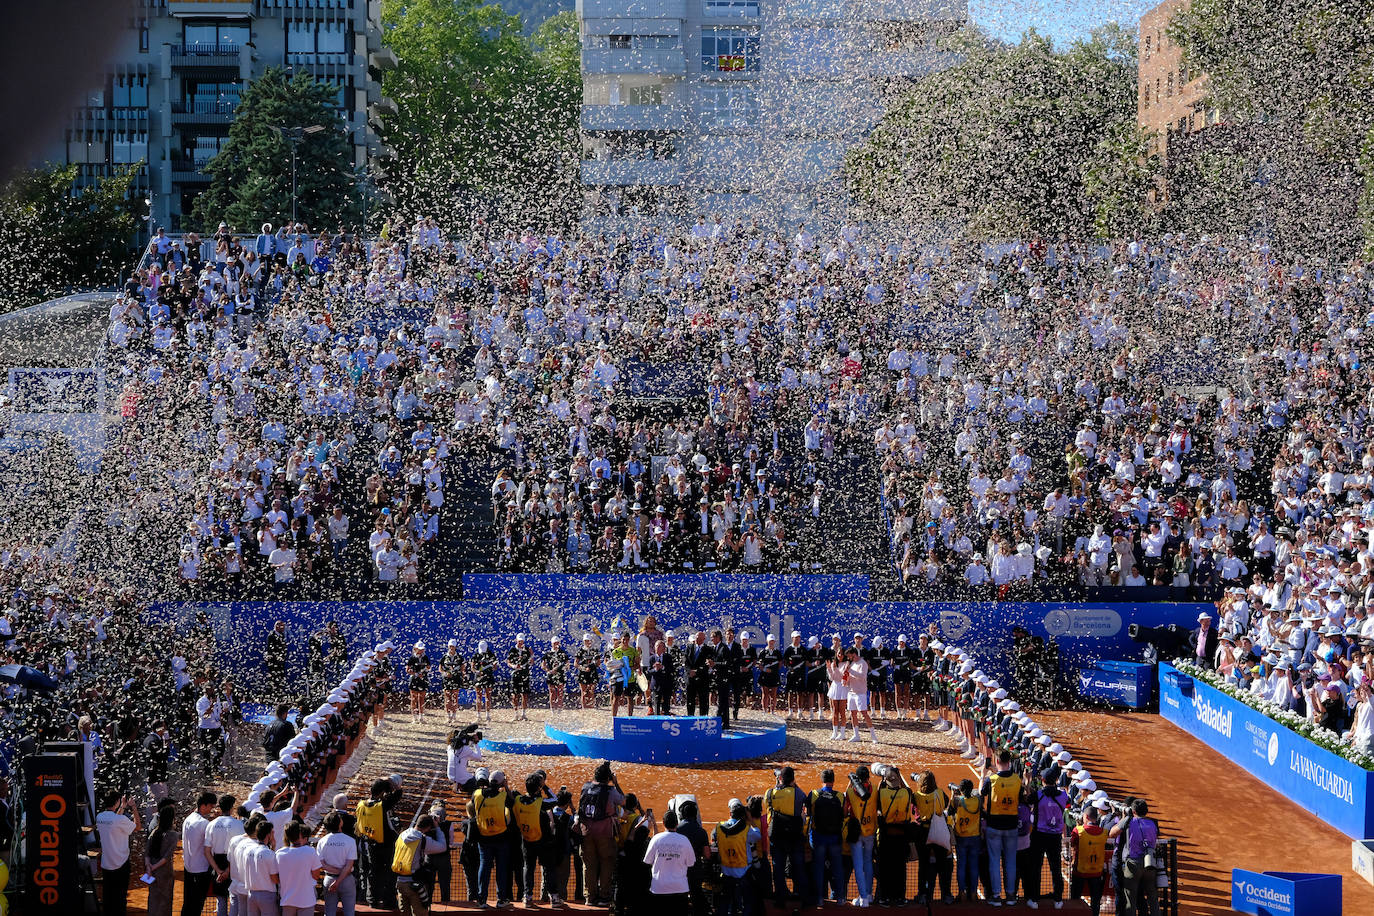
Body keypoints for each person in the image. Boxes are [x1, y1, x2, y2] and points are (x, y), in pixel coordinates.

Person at [576, 761, 624, 907]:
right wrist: (615, 783)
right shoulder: (611, 791)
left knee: (589, 865)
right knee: (606, 863)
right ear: (608, 778)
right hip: (605, 834)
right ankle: (604, 897)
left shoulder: (585, 787)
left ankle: (589, 898)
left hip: (586, 833)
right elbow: (623, 801)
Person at [981, 749, 1021, 906]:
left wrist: (984, 774)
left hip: (994, 826)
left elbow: (982, 793)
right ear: (1009, 762)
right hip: (1012, 826)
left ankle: (996, 895)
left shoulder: (991, 780)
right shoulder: (1017, 779)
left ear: (996, 762)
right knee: (1011, 861)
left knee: (994, 861)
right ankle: (1011, 895)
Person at [765, 765, 810, 905]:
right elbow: (804, 799)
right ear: (793, 779)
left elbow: (769, 802)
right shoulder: (798, 793)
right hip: (795, 836)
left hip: (777, 836)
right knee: (799, 866)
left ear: (780, 778)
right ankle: (802, 898)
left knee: (778, 868)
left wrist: (778, 784)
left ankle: (780, 899)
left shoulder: (770, 792)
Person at [470, 769, 515, 907]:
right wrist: (506, 787)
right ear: (501, 783)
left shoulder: (477, 794)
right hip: (501, 837)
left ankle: (482, 899)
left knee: (484, 867)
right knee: (501, 869)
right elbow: (512, 802)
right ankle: (501, 899)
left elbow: (472, 802)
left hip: (484, 837)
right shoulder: (503, 796)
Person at [96, 791, 142, 916]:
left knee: (108, 897)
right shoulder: (120, 819)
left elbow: (114, 821)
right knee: (120, 899)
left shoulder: (99, 817)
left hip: (106, 865)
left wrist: (122, 806)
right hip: (121, 865)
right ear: (116, 802)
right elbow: (138, 827)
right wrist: (133, 807)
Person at [1028, 768, 1069, 908]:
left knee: (1036, 868)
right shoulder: (1064, 796)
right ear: (1056, 780)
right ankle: (1058, 899)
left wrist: (1027, 783)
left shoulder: (1038, 795)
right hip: (1055, 837)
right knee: (1056, 868)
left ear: (1043, 780)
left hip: (1039, 836)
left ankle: (1034, 899)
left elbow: (1028, 800)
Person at [643, 808, 695, 916]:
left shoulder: (656, 839)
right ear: (677, 824)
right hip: (680, 889)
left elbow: (647, 861)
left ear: (663, 823)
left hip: (659, 888)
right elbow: (691, 863)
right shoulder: (684, 840)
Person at [713, 799, 760, 916]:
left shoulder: (718, 828)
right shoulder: (746, 830)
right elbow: (757, 835)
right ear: (743, 816)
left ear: (730, 814)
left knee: (726, 900)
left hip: (726, 871)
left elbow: (714, 838)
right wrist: (750, 821)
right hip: (743, 871)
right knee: (748, 900)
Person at [1112, 799, 1158, 916]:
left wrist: (1124, 817)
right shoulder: (1153, 823)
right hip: (1150, 862)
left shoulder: (1129, 821)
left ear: (1132, 811)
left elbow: (1112, 833)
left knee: (1130, 898)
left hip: (1133, 864)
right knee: (1152, 896)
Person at [394, 815, 446, 916]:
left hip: (400, 883)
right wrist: (437, 827)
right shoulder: (422, 840)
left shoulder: (401, 835)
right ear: (428, 828)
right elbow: (442, 846)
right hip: (414, 885)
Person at [875, 767, 913, 906]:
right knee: (900, 869)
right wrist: (898, 775)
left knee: (885, 869)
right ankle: (900, 898)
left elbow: (878, 794)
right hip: (901, 838)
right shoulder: (907, 792)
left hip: (886, 837)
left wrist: (884, 779)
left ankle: (884, 897)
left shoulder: (882, 793)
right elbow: (905, 788)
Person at [808, 769, 846, 906]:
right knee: (838, 868)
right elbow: (845, 813)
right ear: (833, 781)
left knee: (818, 868)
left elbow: (808, 813)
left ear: (822, 780)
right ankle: (841, 898)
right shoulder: (840, 796)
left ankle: (819, 899)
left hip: (818, 838)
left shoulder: (814, 794)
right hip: (835, 838)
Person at [180, 791, 218, 916]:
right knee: (197, 905)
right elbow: (211, 847)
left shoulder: (188, 819)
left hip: (188, 868)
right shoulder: (204, 824)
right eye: (211, 807)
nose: (211, 810)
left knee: (188, 903)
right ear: (203, 806)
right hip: (201, 870)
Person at [845, 765, 878, 907]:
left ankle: (863, 897)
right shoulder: (875, 789)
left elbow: (845, 811)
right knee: (868, 863)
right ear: (868, 778)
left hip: (856, 833)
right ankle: (869, 894)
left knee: (858, 866)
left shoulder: (850, 792)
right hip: (870, 831)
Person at [205, 794, 244, 916]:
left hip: (216, 862)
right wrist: (228, 870)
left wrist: (218, 871)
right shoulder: (239, 825)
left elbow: (206, 851)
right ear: (232, 808)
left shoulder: (211, 824)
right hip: (234, 863)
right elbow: (240, 850)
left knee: (221, 899)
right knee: (234, 899)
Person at [277, 821, 323, 916]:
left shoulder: (279, 854)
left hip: (287, 900)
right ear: (300, 834)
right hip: (306, 900)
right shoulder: (310, 851)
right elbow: (316, 875)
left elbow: (276, 877)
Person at [319, 810, 359, 916]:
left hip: (329, 879)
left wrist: (335, 872)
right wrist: (340, 877)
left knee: (329, 912)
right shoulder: (350, 841)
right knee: (349, 912)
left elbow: (321, 864)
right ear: (340, 823)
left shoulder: (322, 841)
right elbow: (349, 865)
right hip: (346, 879)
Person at [1070, 806, 1109, 916]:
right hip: (1097, 872)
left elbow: (1073, 844)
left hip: (1080, 871)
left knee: (1075, 899)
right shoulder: (1104, 832)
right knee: (1095, 901)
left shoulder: (1077, 830)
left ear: (1086, 816)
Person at [949, 778, 982, 904]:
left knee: (961, 865)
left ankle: (962, 893)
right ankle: (973, 893)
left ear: (961, 790)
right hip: (975, 837)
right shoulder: (977, 801)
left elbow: (950, 812)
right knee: (974, 866)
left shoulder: (957, 801)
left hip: (961, 837)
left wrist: (953, 795)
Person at [843, 643, 879, 744]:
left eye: (850, 656)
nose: (850, 658)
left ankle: (873, 736)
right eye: (849, 657)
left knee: (864, 714)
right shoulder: (852, 664)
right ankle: (856, 735)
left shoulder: (863, 663)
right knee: (853, 714)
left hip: (860, 693)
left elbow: (862, 676)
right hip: (851, 692)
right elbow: (850, 676)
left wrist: (850, 671)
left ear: (854, 654)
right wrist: (846, 680)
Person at [146, 804, 178, 916]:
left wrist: (149, 868)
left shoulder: (154, 832)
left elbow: (147, 853)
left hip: (152, 872)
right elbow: (166, 857)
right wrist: (154, 867)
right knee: (165, 900)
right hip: (165, 872)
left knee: (153, 899)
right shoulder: (173, 835)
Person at [242, 819, 280, 916]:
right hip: (267, 896)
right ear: (268, 835)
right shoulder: (270, 854)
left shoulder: (247, 851)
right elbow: (274, 879)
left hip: (251, 895)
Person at [447, 726, 483, 794]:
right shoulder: (465, 749)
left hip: (450, 776)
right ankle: (461, 785)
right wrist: (476, 743)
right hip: (461, 778)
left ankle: (457, 784)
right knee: (477, 784)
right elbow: (478, 757)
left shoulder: (449, 747)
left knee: (460, 766)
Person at [685, 630, 713, 716]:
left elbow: (708, 664)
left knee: (703, 700)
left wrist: (697, 671)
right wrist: (689, 671)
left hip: (702, 679)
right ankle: (690, 717)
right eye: (696, 638)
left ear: (703, 639)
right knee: (690, 699)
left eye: (699, 638)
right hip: (691, 678)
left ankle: (703, 718)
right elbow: (685, 661)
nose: (697, 640)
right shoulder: (689, 647)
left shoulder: (708, 649)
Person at [507, 633, 534, 720]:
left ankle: (524, 714)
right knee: (515, 695)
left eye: (522, 642)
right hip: (515, 675)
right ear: (516, 641)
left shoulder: (527, 650)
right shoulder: (512, 650)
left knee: (524, 694)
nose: (520, 643)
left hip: (525, 674)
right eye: (519, 642)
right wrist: (514, 666)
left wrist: (532, 654)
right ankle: (516, 714)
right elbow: (508, 662)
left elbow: (531, 663)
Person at [440, 639, 467, 724]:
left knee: (455, 697)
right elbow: (440, 668)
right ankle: (448, 716)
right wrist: (445, 673)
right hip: (447, 679)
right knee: (447, 697)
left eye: (453, 646)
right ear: (448, 647)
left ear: (455, 647)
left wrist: (461, 676)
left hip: (456, 679)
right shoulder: (444, 657)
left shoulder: (459, 657)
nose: (451, 648)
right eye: (450, 646)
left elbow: (463, 667)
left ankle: (454, 716)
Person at [543, 636, 570, 710]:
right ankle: (553, 710)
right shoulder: (548, 653)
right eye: (555, 643)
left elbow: (567, 664)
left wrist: (563, 669)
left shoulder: (562, 653)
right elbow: (543, 665)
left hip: (560, 675)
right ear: (552, 644)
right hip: (551, 675)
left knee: (560, 693)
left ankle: (559, 710)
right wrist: (549, 671)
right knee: (552, 693)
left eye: (557, 643)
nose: (556, 644)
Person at [407, 641, 431, 723]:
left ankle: (421, 717)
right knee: (413, 699)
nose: (421, 651)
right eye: (419, 649)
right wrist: (416, 674)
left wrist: (426, 669)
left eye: (422, 649)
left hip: (423, 680)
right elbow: (408, 670)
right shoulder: (412, 658)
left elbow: (429, 667)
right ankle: (414, 717)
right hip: (414, 680)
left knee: (421, 698)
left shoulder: (425, 657)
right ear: (415, 649)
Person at [576, 634, 602, 708]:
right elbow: (576, 663)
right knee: (583, 692)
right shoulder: (580, 651)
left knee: (591, 691)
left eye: (588, 641)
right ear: (583, 641)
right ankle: (584, 708)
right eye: (586, 641)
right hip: (583, 673)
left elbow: (598, 662)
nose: (587, 642)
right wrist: (583, 669)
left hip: (592, 673)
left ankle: (591, 707)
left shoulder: (595, 650)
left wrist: (591, 666)